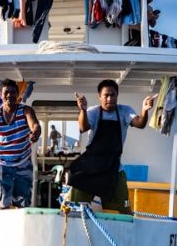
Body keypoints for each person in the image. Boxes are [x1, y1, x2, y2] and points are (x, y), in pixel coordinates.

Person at [66, 79, 155, 213]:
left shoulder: (125, 111)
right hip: (90, 168)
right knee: (75, 210)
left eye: (113, 95)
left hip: (114, 170)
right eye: (106, 95)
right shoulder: (93, 111)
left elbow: (140, 123)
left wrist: (144, 110)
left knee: (123, 214)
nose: (109, 98)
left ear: (117, 95)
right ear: (99, 96)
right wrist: (83, 110)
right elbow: (83, 127)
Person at [0, 79, 41, 209]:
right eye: (6, 92)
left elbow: (34, 125)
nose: (9, 95)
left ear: (17, 94)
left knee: (23, 201)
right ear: (1, 95)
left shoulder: (26, 110)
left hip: (23, 162)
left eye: (13, 92)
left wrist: (35, 133)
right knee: (2, 201)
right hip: (2, 163)